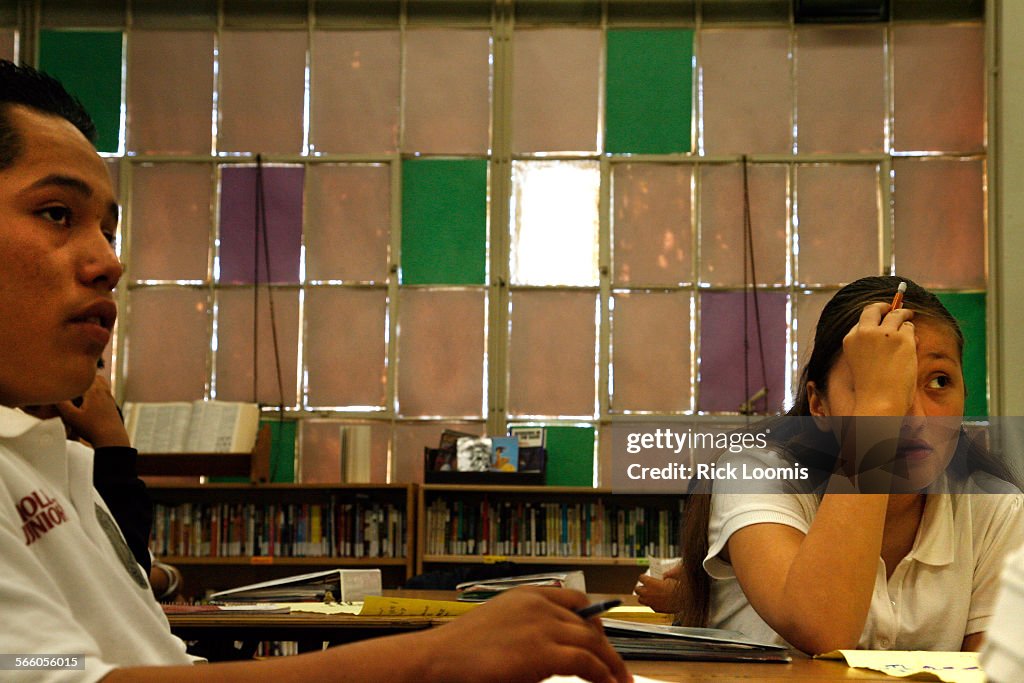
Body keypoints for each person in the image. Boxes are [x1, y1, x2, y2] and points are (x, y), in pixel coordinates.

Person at [0, 59, 630, 683]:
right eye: (57, 213)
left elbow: (120, 663)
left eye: (110, 231)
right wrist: (432, 658)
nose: (109, 262)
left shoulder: (59, 467)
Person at [674, 276, 1023, 655]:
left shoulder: (994, 508)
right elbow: (822, 629)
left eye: (939, 381)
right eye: (873, 384)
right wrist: (877, 415)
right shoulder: (757, 474)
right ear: (818, 405)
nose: (916, 417)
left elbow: (994, 671)